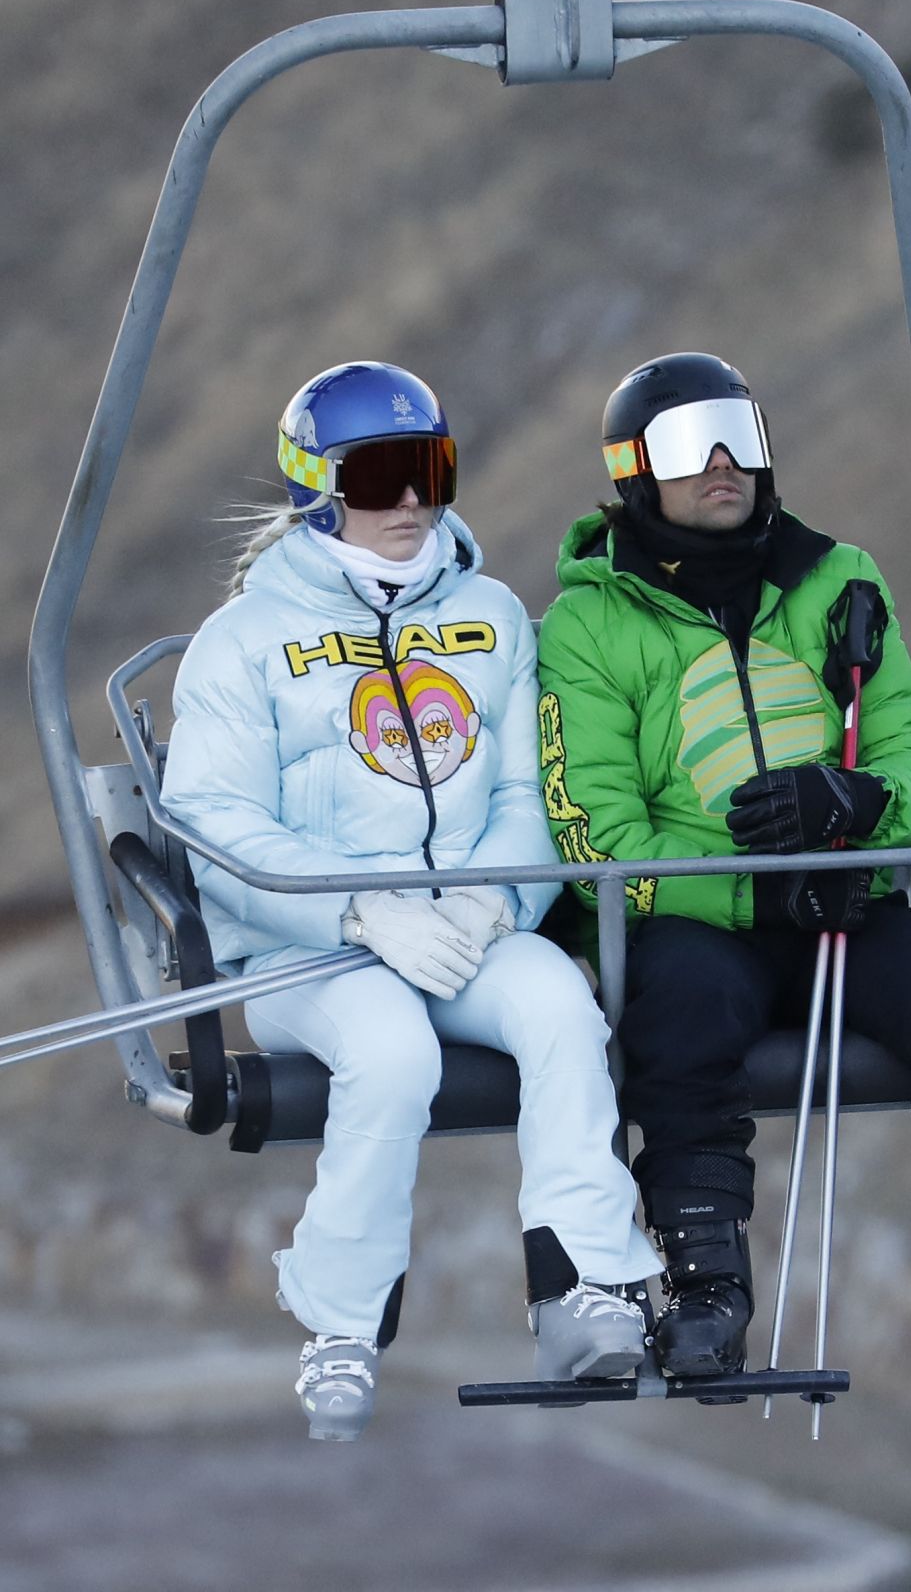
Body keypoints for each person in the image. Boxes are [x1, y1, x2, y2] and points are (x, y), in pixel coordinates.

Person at [536, 351, 911, 1438]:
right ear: (632, 475)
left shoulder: (834, 577)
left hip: (843, 904)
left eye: (737, 435)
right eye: (686, 446)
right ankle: (707, 1295)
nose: (721, 463)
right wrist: (753, 893)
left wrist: (851, 805)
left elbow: (909, 757)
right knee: (681, 1016)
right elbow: (596, 834)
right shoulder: (588, 624)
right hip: (690, 919)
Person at [162, 360, 659, 1441]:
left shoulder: (488, 618)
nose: (408, 503)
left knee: (562, 1014)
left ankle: (584, 1288)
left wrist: (494, 906)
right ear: (315, 485)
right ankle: (341, 1328)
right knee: (391, 1054)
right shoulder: (242, 644)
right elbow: (213, 822)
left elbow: (535, 792)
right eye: (379, 475)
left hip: (462, 928)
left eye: (429, 470)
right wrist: (356, 911)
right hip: (311, 953)